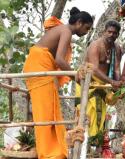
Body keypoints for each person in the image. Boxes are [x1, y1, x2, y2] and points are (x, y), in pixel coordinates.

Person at [23, 7, 93, 159]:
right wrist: (77, 76)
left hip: (40, 66)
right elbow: (59, 60)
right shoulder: (66, 31)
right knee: (44, 113)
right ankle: (48, 153)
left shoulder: (63, 30)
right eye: (87, 28)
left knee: (48, 111)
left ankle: (52, 150)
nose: (86, 32)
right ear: (79, 23)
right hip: (38, 66)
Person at [76, 20, 122, 137]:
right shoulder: (95, 45)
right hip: (88, 83)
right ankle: (85, 147)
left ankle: (96, 146)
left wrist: (119, 83)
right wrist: (112, 82)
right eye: (109, 32)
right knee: (87, 118)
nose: (112, 35)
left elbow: (116, 69)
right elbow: (94, 69)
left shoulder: (116, 48)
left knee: (100, 117)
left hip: (103, 85)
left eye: (115, 33)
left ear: (118, 35)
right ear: (104, 32)